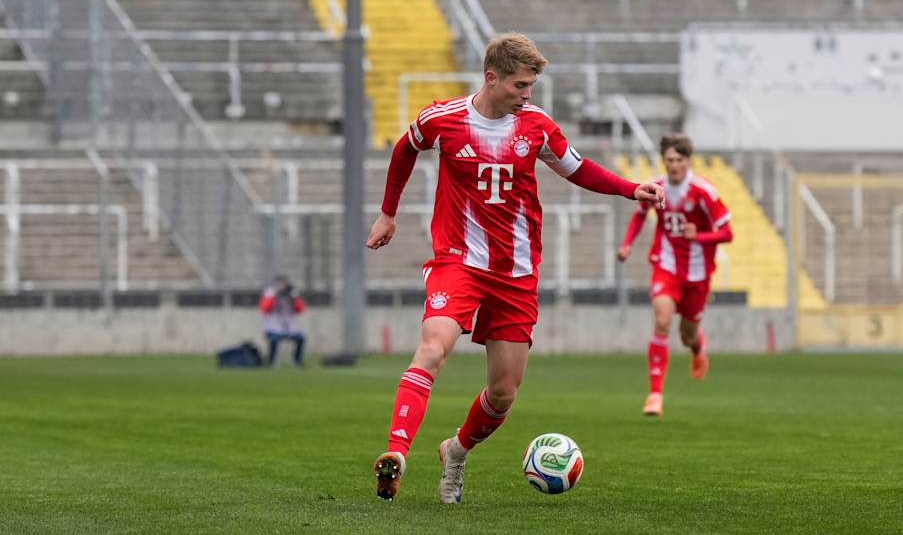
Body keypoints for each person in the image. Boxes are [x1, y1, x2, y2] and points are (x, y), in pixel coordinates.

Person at [365, 32, 666, 503]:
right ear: (492, 77)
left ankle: (456, 452)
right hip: (458, 261)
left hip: (517, 272)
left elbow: (578, 168)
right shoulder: (443, 119)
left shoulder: (536, 126)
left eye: (531, 87)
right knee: (433, 347)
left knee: (503, 392)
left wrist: (632, 190)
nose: (527, 95)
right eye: (521, 86)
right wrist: (388, 212)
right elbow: (404, 149)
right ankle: (396, 453)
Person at [617, 134, 733, 416]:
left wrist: (701, 235)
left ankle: (697, 345)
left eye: (679, 160)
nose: (674, 166)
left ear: (687, 161)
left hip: (697, 272)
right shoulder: (657, 187)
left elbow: (727, 233)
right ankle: (655, 394)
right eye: (669, 160)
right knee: (662, 320)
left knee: (686, 335)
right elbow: (640, 213)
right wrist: (627, 243)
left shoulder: (703, 191)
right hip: (665, 264)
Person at [258, 275, 307, 367]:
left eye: (283, 283)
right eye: (279, 283)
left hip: (290, 328)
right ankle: (271, 362)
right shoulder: (270, 293)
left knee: (301, 338)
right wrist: (273, 295)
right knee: (274, 340)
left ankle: (297, 361)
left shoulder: (292, 294)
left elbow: (300, 309)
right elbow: (265, 308)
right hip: (273, 327)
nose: (281, 286)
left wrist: (294, 296)